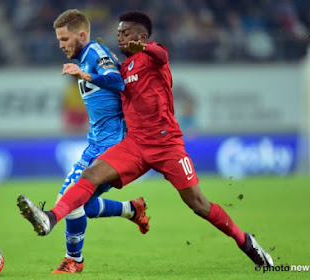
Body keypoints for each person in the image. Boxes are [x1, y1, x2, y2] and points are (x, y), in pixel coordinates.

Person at [17, 11, 274, 268]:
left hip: (167, 145)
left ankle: (245, 241)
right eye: (118, 33)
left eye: (126, 33)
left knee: (199, 204)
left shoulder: (154, 57)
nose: (120, 37)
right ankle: (51, 218)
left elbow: (161, 54)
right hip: (135, 145)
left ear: (141, 36)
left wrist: (143, 48)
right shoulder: (123, 67)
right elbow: (113, 82)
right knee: (90, 176)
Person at [17, 9, 150, 274]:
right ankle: (131, 210)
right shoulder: (86, 56)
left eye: (65, 39)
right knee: (82, 204)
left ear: (81, 34)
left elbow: (117, 80)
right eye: (58, 40)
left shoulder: (95, 54)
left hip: (112, 143)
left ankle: (73, 260)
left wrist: (86, 76)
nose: (60, 45)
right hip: (99, 141)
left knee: (69, 198)